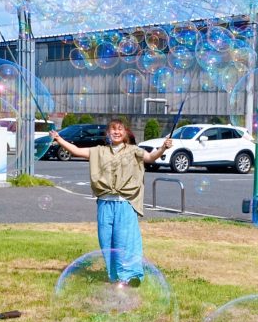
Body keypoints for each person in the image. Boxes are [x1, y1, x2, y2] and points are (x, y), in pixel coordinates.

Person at [50, 119, 172, 284]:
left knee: (125, 240)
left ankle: (130, 276)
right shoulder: (99, 151)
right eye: (113, 129)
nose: (116, 132)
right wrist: (59, 139)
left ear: (125, 133)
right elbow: (77, 151)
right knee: (106, 241)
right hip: (105, 203)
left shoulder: (133, 150)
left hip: (125, 203)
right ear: (107, 134)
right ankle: (114, 276)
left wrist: (164, 147)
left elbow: (151, 157)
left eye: (120, 129)